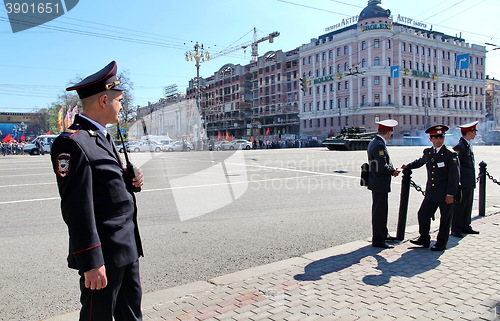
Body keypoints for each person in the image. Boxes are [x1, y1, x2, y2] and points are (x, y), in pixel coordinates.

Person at [50, 61, 144, 321]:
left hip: (126, 247)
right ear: (104, 100)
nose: (123, 105)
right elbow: (76, 208)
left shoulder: (103, 136)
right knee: (97, 317)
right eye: (120, 100)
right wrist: (91, 262)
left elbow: (106, 186)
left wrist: (131, 178)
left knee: (131, 315)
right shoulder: (72, 143)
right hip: (104, 256)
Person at [402, 125, 460, 251]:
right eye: (436, 137)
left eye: (441, 137)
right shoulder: (428, 152)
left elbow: (454, 177)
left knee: (445, 220)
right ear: (431, 139)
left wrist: (451, 194)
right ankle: (424, 238)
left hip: (445, 194)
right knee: (423, 214)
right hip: (432, 192)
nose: (439, 140)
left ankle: (441, 243)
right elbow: (420, 161)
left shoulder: (450, 155)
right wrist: (408, 166)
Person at [367, 119, 400, 249]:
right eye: (391, 132)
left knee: (380, 211)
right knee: (380, 212)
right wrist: (393, 171)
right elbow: (381, 166)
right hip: (379, 182)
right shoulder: (379, 144)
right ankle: (379, 240)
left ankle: (383, 234)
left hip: (376, 182)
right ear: (389, 132)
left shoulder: (375, 142)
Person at [451, 121, 480, 237]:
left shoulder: (467, 145)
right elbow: (455, 166)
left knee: (468, 205)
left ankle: (466, 225)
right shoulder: (459, 147)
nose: (475, 134)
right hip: (462, 182)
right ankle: (456, 228)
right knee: (459, 206)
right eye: (474, 132)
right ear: (468, 132)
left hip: (469, 182)